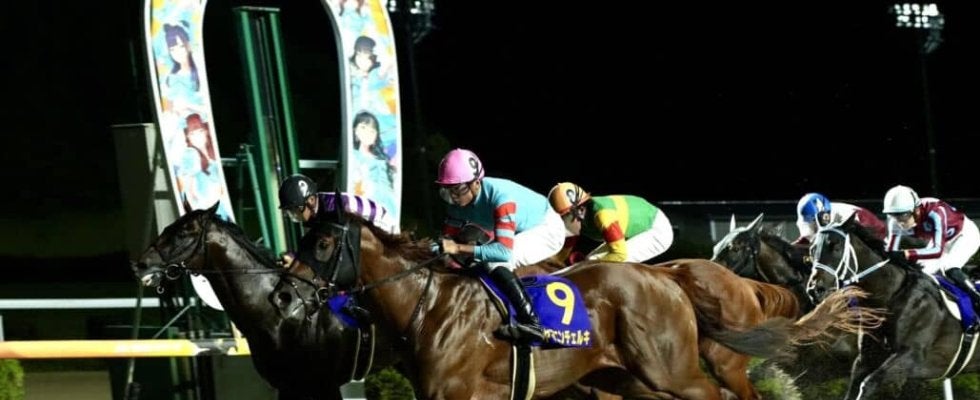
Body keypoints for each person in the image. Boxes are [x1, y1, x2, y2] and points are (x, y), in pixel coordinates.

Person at [435, 148, 565, 342]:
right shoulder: (457, 203)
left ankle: (533, 323)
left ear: (476, 182)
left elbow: (502, 252)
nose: (453, 197)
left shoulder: (501, 198)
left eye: (458, 189)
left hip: (547, 228)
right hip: (520, 227)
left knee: (495, 262)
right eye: (448, 189)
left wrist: (459, 248)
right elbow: (445, 243)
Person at [882, 185, 980, 328]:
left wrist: (906, 254)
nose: (899, 221)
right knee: (920, 272)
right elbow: (890, 252)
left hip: (965, 235)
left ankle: (976, 301)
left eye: (902, 215)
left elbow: (937, 251)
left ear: (916, 209)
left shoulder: (935, 211)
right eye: (894, 215)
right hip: (941, 241)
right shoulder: (895, 221)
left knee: (950, 267)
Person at [547, 182, 673, 264]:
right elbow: (561, 256)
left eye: (563, 218)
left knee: (596, 264)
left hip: (656, 230)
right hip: (631, 228)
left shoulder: (604, 215)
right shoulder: (577, 217)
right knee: (589, 261)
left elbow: (620, 254)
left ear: (579, 211)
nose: (561, 224)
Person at [277, 173, 397, 235]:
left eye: (295, 209)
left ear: (311, 200)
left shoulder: (331, 209)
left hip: (383, 226)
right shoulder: (315, 213)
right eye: (291, 211)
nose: (294, 214)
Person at [794, 192, 887, 245]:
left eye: (815, 220)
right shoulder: (809, 216)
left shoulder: (838, 216)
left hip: (867, 224)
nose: (813, 223)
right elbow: (808, 237)